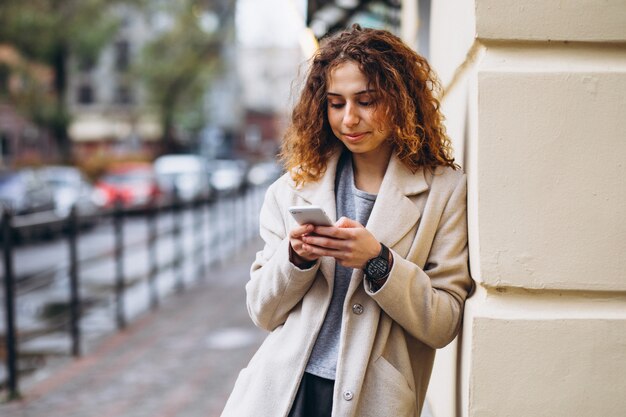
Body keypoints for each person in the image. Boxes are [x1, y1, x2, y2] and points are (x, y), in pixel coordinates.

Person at [221, 24, 473, 417]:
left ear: (400, 100)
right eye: (336, 103)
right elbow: (262, 312)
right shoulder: (291, 190)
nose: (349, 119)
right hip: (280, 394)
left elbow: (443, 323)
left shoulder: (444, 191)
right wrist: (297, 259)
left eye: (367, 101)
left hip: (375, 400)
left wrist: (379, 262)